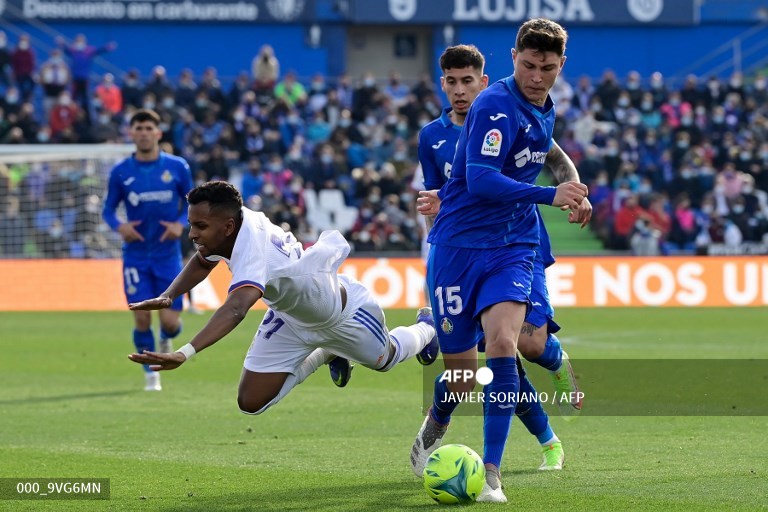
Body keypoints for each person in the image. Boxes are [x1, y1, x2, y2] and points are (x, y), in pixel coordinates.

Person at [409, 19, 589, 503]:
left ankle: (492, 474)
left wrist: (572, 187)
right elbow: (482, 180)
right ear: (513, 58)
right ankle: (436, 423)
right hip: (458, 247)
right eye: (528, 66)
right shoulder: (493, 106)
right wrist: (553, 195)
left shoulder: (543, 106)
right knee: (465, 375)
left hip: (512, 247)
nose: (536, 76)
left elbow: (550, 152)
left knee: (507, 343)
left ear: (560, 66)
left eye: (547, 68)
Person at [127, 181, 440, 418]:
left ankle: (427, 328)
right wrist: (169, 296)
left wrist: (184, 353)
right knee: (250, 403)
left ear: (228, 226)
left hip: (343, 314)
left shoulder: (254, 250)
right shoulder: (232, 223)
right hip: (290, 317)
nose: (193, 234)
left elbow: (236, 309)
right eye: (192, 225)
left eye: (200, 226)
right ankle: (327, 352)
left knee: (386, 358)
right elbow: (203, 259)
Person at [102, 109, 194, 391]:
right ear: (131, 133)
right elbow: (108, 210)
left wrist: (181, 224)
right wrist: (120, 227)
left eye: (148, 128)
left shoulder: (177, 167)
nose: (143, 132)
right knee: (141, 316)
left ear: (158, 132)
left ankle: (167, 338)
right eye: (138, 128)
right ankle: (150, 373)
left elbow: (192, 203)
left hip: (168, 256)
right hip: (136, 256)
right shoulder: (121, 172)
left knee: (169, 321)